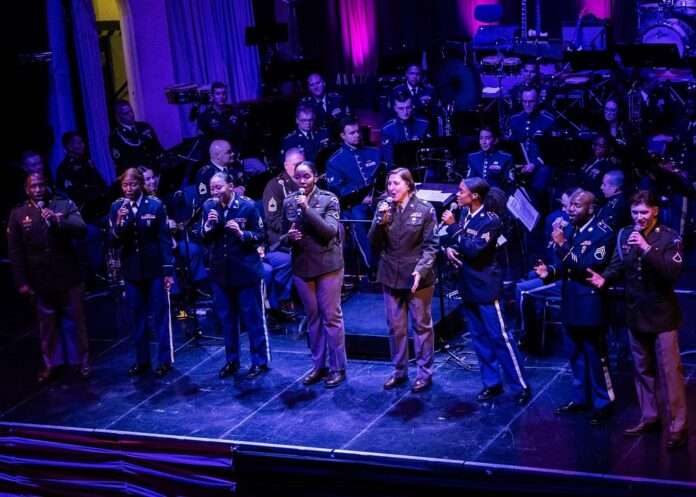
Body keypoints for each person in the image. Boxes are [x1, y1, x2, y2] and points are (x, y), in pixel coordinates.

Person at [587, 190, 688, 449]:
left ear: (655, 211)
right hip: (635, 313)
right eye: (635, 212)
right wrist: (604, 278)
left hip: (662, 314)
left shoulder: (669, 237)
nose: (639, 217)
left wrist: (646, 248)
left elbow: (671, 273)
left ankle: (678, 426)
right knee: (642, 369)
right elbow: (618, 264)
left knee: (670, 372)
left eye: (644, 212)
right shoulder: (624, 234)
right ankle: (650, 416)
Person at [441, 177, 531, 405]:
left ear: (474, 196)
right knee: (479, 338)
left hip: (486, 287)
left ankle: (520, 385)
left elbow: (474, 250)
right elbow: (458, 242)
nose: (457, 194)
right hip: (467, 285)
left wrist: (453, 228)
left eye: (461, 191)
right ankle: (492, 383)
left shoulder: (490, 220)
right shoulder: (464, 214)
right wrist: (449, 249)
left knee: (500, 338)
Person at [534, 190, 615, 424]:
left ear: (590, 209)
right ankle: (581, 399)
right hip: (570, 300)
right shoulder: (570, 230)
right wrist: (550, 272)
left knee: (595, 355)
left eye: (577, 205)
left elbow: (586, 267)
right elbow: (565, 266)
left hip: (590, 302)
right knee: (575, 354)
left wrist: (561, 246)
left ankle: (603, 403)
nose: (570, 209)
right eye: (570, 205)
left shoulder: (602, 233)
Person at [7, 172, 90, 382]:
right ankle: (52, 364)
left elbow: (81, 229)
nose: (37, 190)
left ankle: (81, 362)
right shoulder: (19, 213)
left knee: (76, 321)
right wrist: (21, 281)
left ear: (47, 186)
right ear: (27, 189)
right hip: (39, 278)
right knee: (47, 325)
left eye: (41, 185)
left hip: (67, 274)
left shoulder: (62, 204)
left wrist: (58, 220)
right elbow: (15, 251)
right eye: (33, 186)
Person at [368, 168, 438, 393]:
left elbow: (431, 246)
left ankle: (424, 374)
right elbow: (373, 243)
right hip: (390, 275)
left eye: (396, 183)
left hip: (417, 277)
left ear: (408, 185)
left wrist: (421, 270)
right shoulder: (384, 207)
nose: (391, 188)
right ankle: (399, 371)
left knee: (421, 327)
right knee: (396, 328)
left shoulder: (425, 209)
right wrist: (379, 220)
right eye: (389, 184)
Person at [284, 161, 347, 388]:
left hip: (328, 265)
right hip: (302, 266)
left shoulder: (329, 199)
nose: (302, 181)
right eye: (298, 177)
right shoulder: (288, 201)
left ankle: (338, 367)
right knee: (313, 318)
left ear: (316, 177)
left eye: (307, 176)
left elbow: (329, 231)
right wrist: (289, 237)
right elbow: (281, 234)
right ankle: (319, 366)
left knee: (331, 317)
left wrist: (307, 209)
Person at [201, 173, 270, 379]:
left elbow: (260, 235)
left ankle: (259, 361)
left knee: (252, 319)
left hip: (245, 272)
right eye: (212, 188)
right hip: (220, 273)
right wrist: (208, 227)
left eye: (219, 187)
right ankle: (232, 360)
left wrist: (241, 234)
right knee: (227, 320)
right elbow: (204, 236)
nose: (215, 192)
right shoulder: (208, 207)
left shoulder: (247, 206)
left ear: (230, 186)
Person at [109, 168, 175, 377]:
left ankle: (164, 360)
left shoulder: (155, 205)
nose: (128, 189)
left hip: (155, 269)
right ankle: (142, 360)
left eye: (132, 184)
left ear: (141, 184)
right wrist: (119, 223)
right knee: (137, 316)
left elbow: (164, 239)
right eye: (125, 185)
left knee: (160, 315)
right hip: (132, 271)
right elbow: (113, 241)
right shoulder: (117, 207)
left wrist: (168, 270)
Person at [326, 117, 382, 270]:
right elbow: (337, 189)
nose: (357, 135)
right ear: (342, 136)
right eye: (352, 133)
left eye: (358, 131)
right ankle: (371, 266)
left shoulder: (374, 152)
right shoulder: (335, 161)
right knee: (359, 218)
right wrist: (360, 199)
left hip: (378, 198)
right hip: (354, 204)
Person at [262, 148, 302, 315]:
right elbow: (273, 219)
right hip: (282, 239)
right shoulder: (275, 186)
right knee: (290, 259)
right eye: (296, 164)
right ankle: (282, 299)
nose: (300, 168)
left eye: (302, 163)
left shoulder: (306, 182)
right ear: (286, 165)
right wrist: (293, 228)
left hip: (305, 234)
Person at [508, 87, 555, 206]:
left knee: (539, 184)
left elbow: (551, 150)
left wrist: (534, 164)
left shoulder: (548, 120)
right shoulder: (514, 120)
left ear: (537, 100)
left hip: (541, 163)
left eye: (531, 101)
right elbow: (512, 146)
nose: (527, 105)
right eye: (524, 101)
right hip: (520, 163)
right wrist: (518, 164)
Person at [56, 131, 108, 223]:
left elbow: (99, 182)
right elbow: (73, 194)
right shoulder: (64, 168)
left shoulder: (86, 161)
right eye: (79, 143)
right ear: (69, 147)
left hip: (100, 205)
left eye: (83, 142)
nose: (83, 145)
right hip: (85, 211)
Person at [109, 100, 163, 174]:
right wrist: (135, 167)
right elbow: (121, 162)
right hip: (137, 175)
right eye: (126, 113)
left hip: (156, 168)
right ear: (118, 117)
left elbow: (157, 147)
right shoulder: (116, 136)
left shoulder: (144, 127)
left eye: (131, 111)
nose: (131, 115)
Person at [380, 92, 431, 167]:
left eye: (408, 107)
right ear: (395, 109)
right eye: (401, 108)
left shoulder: (424, 124)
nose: (405, 112)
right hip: (398, 169)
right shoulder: (387, 129)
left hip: (422, 167)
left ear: (412, 106)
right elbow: (389, 160)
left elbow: (430, 153)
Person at [194, 139, 245, 207]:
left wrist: (241, 188)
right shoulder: (205, 173)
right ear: (217, 155)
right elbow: (205, 200)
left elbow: (242, 181)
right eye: (228, 152)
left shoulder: (233, 167)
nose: (232, 154)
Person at [197, 81, 244, 149]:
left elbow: (241, 134)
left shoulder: (234, 111)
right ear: (212, 96)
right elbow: (204, 142)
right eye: (218, 94)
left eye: (223, 93)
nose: (221, 96)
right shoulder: (204, 117)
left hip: (234, 149)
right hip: (217, 151)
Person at [466, 126, 513, 191]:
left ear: (495, 140)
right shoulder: (472, 157)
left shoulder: (506, 157)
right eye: (481, 138)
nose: (483, 142)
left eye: (487, 138)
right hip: (478, 194)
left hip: (498, 194)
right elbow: (469, 179)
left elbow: (509, 182)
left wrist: (500, 174)